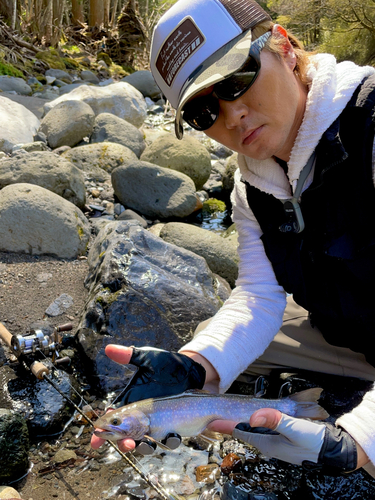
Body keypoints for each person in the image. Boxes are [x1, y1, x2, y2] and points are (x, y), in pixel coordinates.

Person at [92, 0, 375, 476]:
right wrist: (197, 367)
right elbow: (259, 296)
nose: (233, 115)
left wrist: (361, 439)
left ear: (283, 45)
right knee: (215, 354)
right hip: (350, 330)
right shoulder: (253, 188)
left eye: (237, 78)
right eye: (204, 110)